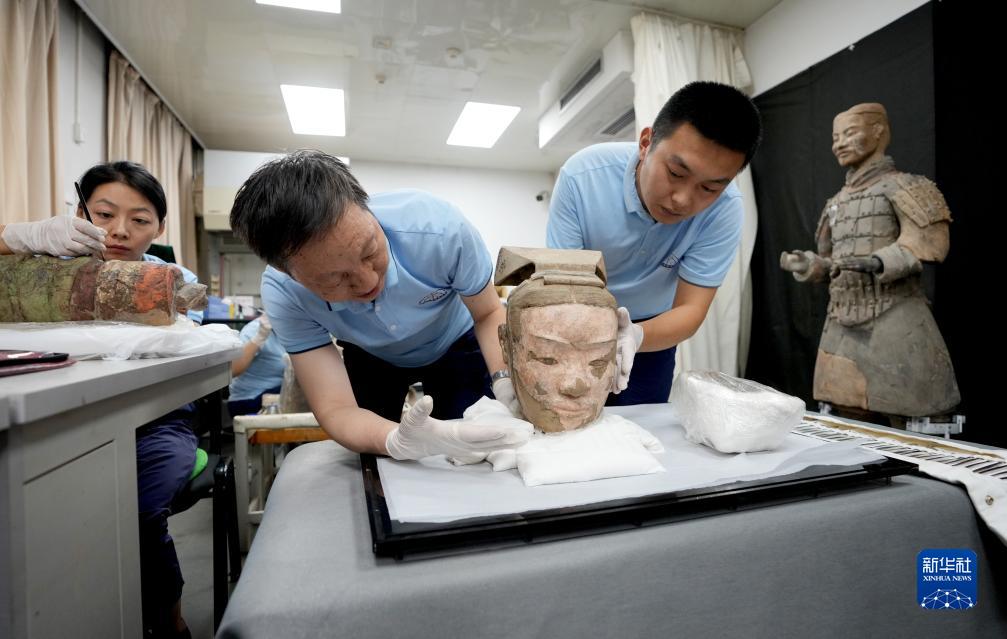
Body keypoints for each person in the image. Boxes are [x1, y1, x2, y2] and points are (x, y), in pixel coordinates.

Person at [1, 161, 201, 638]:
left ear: (159, 228)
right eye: (105, 214)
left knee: (137, 508)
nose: (119, 231)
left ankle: (169, 623)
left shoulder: (168, 278)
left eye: (140, 220)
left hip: (158, 419)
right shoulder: (48, 269)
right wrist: (24, 236)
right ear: (79, 213)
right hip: (67, 412)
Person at [228, 150, 531, 460]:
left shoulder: (438, 230)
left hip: (456, 341)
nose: (368, 281)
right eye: (336, 278)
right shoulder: (285, 293)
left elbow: (488, 312)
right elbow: (337, 409)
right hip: (369, 355)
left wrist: (504, 379)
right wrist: (392, 440)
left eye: (370, 251)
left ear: (365, 207)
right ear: (289, 274)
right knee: (375, 456)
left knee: (478, 443)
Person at [546, 81, 762, 405]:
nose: (683, 199)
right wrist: (591, 335)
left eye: (709, 188)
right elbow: (565, 286)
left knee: (644, 428)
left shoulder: (725, 209)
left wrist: (635, 335)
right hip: (578, 321)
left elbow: (691, 308)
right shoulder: (582, 177)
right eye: (675, 173)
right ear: (646, 143)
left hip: (651, 334)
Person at [780, 103, 959, 419]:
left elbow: (930, 243)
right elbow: (832, 261)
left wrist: (878, 261)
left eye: (849, 133)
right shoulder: (836, 202)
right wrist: (810, 265)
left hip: (894, 317)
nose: (838, 144)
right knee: (846, 417)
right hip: (841, 321)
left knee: (912, 417)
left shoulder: (907, 185)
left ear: (878, 132)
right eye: (835, 137)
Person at [228, 314, 286, 416]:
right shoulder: (255, 329)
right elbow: (232, 369)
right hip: (249, 400)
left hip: (276, 396)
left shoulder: (294, 331)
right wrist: (260, 337)